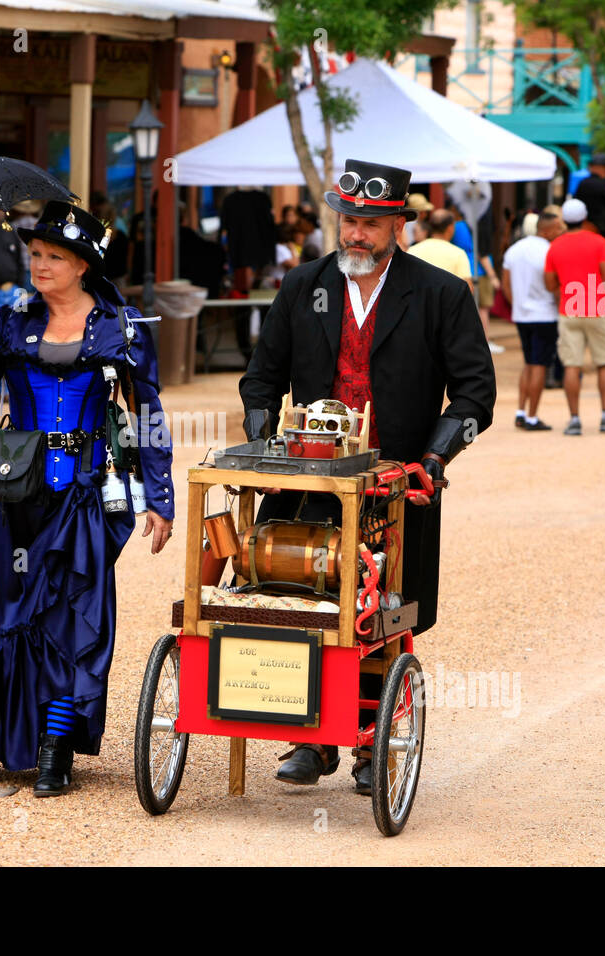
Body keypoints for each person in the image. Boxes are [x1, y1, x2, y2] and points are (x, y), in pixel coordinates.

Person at [240, 158, 496, 794]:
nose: (355, 234)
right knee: (304, 599)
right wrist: (263, 443)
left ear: (396, 227)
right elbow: (261, 378)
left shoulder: (441, 294)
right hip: (310, 481)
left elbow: (475, 396)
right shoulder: (303, 285)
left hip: (398, 486)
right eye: (347, 220)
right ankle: (309, 739)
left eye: (369, 224)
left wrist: (433, 460)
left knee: (383, 612)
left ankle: (366, 743)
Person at [0, 200, 175, 796]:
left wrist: (160, 496)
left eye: (53, 257)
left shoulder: (119, 329)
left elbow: (148, 413)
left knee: (75, 620)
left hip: (85, 494)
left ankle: (54, 750)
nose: (39, 265)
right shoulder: (13, 322)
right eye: (35, 255)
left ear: (82, 265)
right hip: (14, 496)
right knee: (10, 614)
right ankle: (3, 738)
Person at [544, 197, 605, 435]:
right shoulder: (599, 242)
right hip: (597, 308)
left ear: (564, 220)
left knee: (571, 365)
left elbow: (549, 283)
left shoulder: (555, 245)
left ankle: (574, 419)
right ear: (585, 218)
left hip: (569, 309)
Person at [502, 211, 566, 431]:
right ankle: (532, 416)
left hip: (522, 315)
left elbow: (506, 284)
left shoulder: (514, 250)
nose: (561, 231)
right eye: (558, 228)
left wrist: (517, 305)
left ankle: (521, 411)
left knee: (528, 363)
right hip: (545, 314)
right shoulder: (550, 251)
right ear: (546, 230)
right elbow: (555, 283)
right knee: (539, 365)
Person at [408, 210, 472, 291]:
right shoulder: (458, 254)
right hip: (448, 302)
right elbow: (467, 288)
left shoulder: (412, 250)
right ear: (450, 228)